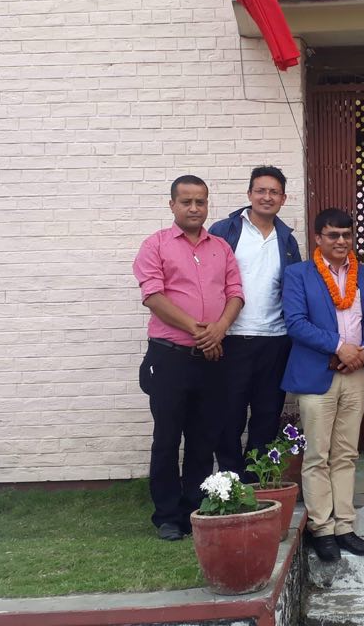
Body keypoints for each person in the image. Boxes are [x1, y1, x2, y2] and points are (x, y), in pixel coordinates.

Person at [132, 175, 244, 541]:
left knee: (202, 437)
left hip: (212, 357)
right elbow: (153, 296)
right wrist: (200, 331)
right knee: (167, 438)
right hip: (170, 358)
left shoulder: (221, 248)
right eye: (187, 202)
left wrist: (219, 329)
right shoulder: (155, 245)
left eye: (200, 201)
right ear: (172, 205)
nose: (194, 208)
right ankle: (167, 516)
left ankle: (194, 508)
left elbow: (235, 293)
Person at [281, 208, 364, 562]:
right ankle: (321, 528)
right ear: (318, 238)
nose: (341, 241)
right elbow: (295, 323)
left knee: (346, 454)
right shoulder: (299, 274)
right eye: (333, 235)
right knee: (317, 455)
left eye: (346, 235)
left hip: (355, 373)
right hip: (317, 374)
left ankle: (345, 526)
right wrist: (339, 346)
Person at [209, 166, 302, 478]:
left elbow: (293, 289)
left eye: (274, 192)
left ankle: (257, 481)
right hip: (232, 337)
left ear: (283, 198)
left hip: (276, 340)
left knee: (267, 415)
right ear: (249, 194)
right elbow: (207, 279)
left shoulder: (286, 239)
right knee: (228, 415)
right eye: (261, 190)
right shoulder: (225, 230)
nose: (267, 197)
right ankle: (230, 480)